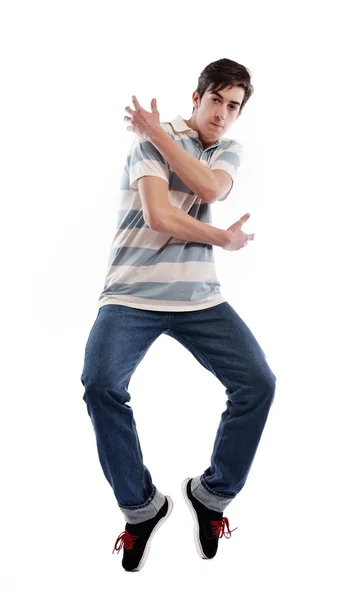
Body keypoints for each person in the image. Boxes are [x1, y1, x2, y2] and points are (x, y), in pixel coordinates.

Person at [80, 57, 277, 572]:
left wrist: (166, 143)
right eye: (216, 101)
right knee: (100, 383)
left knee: (258, 382)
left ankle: (211, 496)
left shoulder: (228, 149)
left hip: (199, 299)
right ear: (197, 98)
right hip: (131, 293)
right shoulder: (148, 137)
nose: (222, 114)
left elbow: (211, 190)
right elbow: (159, 215)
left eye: (233, 107)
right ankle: (141, 507)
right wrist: (224, 237)